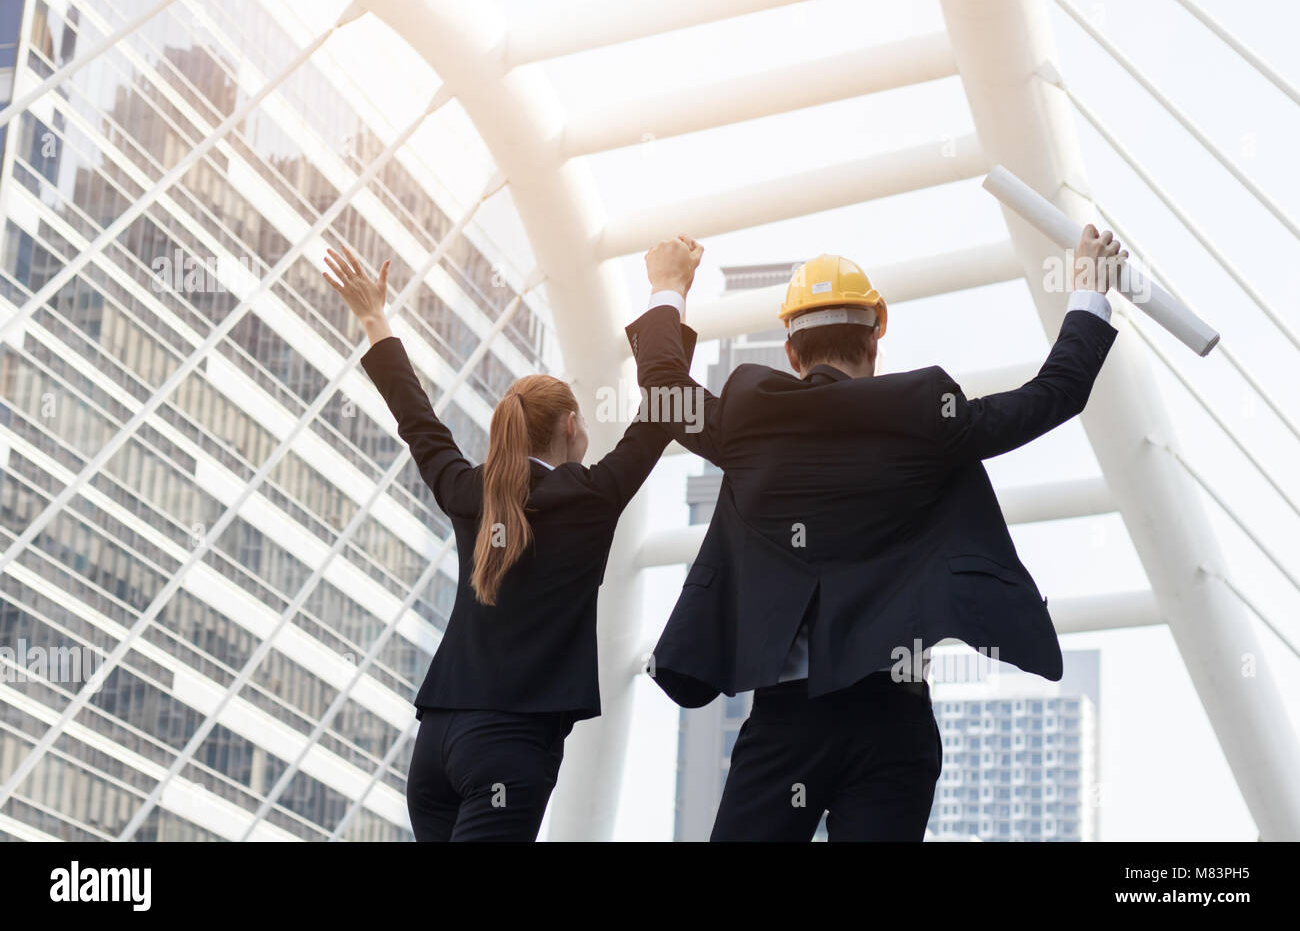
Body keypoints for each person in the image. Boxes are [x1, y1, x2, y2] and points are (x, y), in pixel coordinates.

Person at [627, 227, 1124, 841]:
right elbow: (1054, 393)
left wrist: (667, 286)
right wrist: (1088, 293)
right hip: (893, 720)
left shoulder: (749, 416)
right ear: (875, 335)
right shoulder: (924, 416)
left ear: (790, 351)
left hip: (786, 725)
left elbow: (663, 388)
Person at [325, 244, 693, 841]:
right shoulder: (590, 499)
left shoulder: (469, 491)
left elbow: (417, 420)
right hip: (508, 748)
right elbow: (664, 411)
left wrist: (375, 320)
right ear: (571, 426)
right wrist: (669, 289)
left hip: (436, 746)